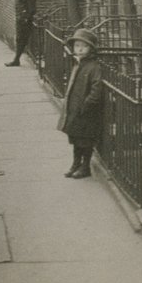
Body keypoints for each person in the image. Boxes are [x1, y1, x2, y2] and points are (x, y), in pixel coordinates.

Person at [59, 29, 104, 179]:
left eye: (83, 46)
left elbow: (96, 88)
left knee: (85, 140)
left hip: (86, 111)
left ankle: (85, 167)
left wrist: (87, 104)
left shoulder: (94, 67)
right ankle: (75, 164)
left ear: (91, 49)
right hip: (75, 109)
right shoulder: (78, 64)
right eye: (77, 45)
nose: (79, 49)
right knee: (76, 138)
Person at [6, 0, 37, 66]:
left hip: (25, 23)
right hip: (22, 22)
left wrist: (25, 18)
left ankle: (16, 60)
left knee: (21, 40)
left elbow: (32, 10)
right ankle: (16, 60)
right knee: (21, 41)